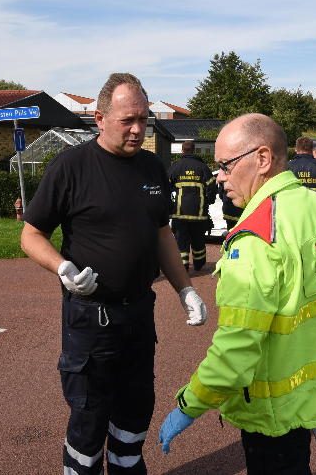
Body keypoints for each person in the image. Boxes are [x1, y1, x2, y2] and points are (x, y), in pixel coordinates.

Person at [158, 113, 316, 474]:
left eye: (226, 165)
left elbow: (236, 349)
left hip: (272, 407)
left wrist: (189, 405)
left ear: (262, 159)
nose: (220, 177)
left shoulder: (257, 236)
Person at [20, 72, 208, 475]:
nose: (138, 129)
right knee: (89, 421)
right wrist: (62, 267)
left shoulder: (153, 168)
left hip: (139, 314)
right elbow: (31, 234)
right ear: (100, 118)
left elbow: (161, 232)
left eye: (143, 119)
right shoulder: (71, 167)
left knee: (134, 413)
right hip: (91, 320)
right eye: (128, 120)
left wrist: (185, 289)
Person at [169, 140, 216, 271]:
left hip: (180, 214)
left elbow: (165, 186)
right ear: (194, 150)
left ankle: (182, 266)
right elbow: (212, 187)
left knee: (181, 241)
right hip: (199, 214)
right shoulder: (203, 167)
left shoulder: (176, 166)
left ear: (182, 151)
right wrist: (209, 201)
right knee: (198, 240)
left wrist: (169, 204)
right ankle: (199, 264)